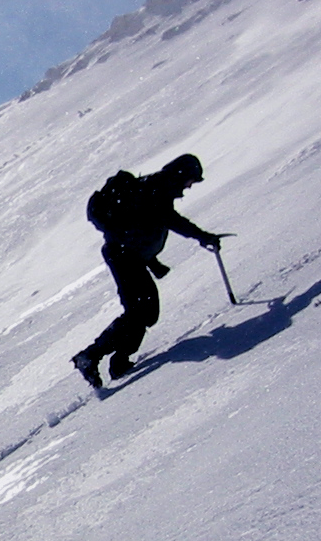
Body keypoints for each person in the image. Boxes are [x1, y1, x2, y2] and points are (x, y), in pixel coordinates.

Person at [71, 153, 225, 386]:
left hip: (128, 256)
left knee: (145, 311)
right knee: (140, 311)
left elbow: (141, 228)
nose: (190, 186)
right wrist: (204, 236)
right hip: (122, 256)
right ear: (181, 174)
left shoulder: (156, 188)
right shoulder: (156, 190)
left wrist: (153, 262)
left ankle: (119, 359)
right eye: (190, 180)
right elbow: (171, 221)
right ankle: (91, 356)